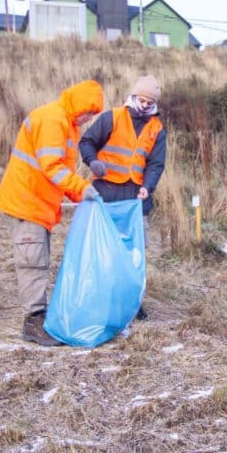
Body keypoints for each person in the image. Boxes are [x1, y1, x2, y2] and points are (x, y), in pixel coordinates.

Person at [0, 79, 104, 346]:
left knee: (38, 258)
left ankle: (39, 318)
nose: (89, 119)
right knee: (33, 261)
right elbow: (52, 167)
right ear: (78, 105)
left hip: (38, 203)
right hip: (27, 201)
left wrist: (80, 193)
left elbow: (61, 172)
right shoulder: (53, 120)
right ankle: (33, 322)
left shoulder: (66, 124)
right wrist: (81, 188)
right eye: (88, 112)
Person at [78, 75, 167, 321]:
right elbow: (86, 142)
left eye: (150, 101)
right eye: (142, 99)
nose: (145, 104)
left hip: (136, 199)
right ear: (133, 96)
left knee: (134, 252)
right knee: (102, 248)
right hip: (105, 193)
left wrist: (148, 187)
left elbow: (156, 164)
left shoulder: (157, 129)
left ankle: (132, 302)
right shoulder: (112, 117)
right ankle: (99, 297)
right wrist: (93, 162)